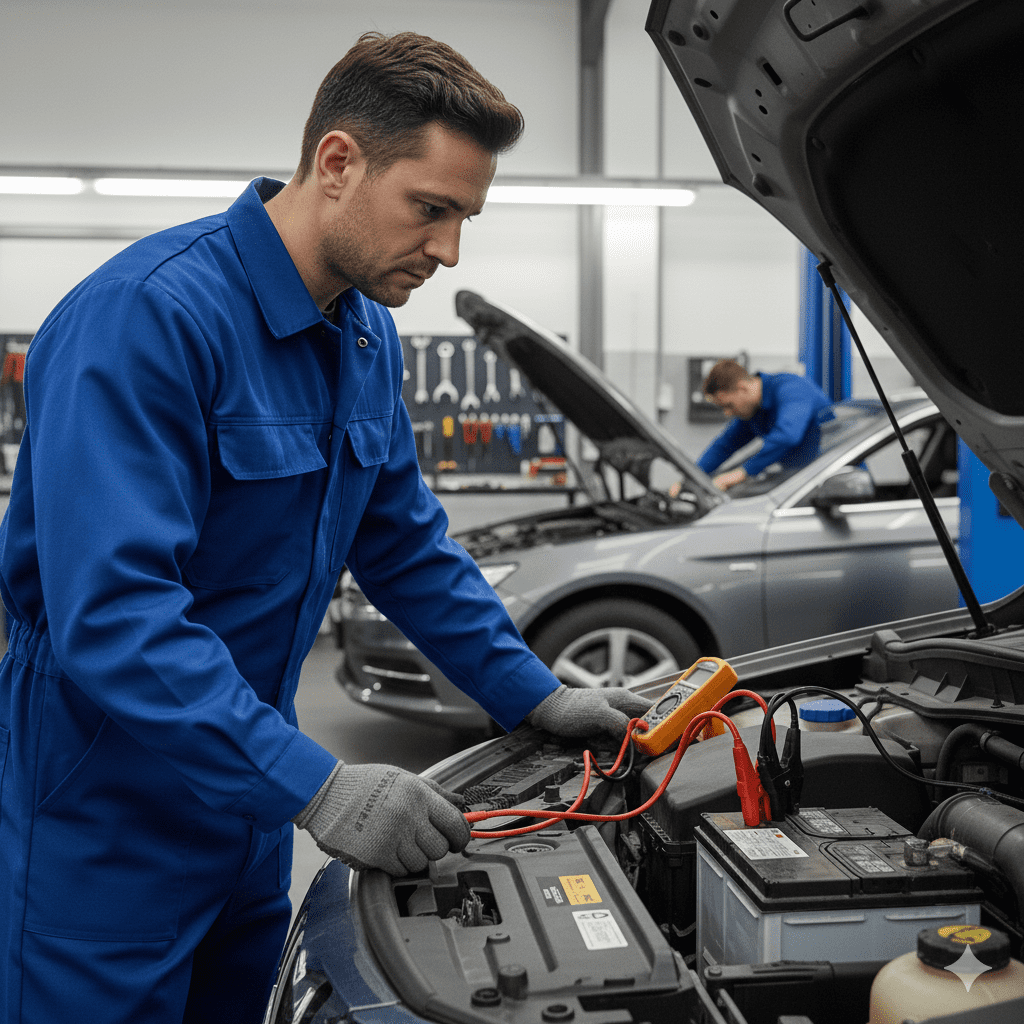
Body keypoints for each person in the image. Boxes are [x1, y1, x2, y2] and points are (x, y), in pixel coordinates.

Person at [0, 31, 650, 1024]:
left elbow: (402, 541)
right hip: (106, 801)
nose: (447, 250)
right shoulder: (146, 319)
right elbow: (117, 617)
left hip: (249, 801)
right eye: (429, 210)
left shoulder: (361, 332)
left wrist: (533, 692)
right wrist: (318, 786)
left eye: (463, 218)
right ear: (338, 162)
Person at [696, 359, 833, 491]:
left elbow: (787, 435)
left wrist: (740, 473)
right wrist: (691, 479)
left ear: (742, 388)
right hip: (801, 478)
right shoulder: (753, 410)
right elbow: (724, 445)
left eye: (728, 405)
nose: (727, 413)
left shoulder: (792, 389)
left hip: (830, 479)